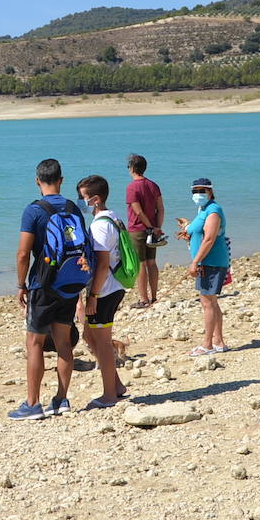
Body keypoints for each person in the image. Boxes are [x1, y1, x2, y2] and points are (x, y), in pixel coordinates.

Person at [12, 159, 82, 420]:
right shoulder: (72, 207)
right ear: (61, 180)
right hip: (68, 283)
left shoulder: (33, 211)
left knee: (35, 343)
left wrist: (21, 285)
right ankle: (62, 399)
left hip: (42, 285)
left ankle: (33, 404)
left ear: (37, 181)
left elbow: (23, 253)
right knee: (64, 343)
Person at [77, 175, 130, 408]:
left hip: (105, 290)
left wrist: (93, 296)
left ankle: (109, 395)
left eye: (83, 198)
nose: (80, 202)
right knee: (89, 336)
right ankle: (116, 385)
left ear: (95, 200)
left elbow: (101, 264)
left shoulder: (99, 226)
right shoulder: (114, 218)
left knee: (103, 343)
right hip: (113, 286)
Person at [176, 177, 229, 354]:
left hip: (210, 262)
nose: (198, 194)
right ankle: (219, 342)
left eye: (202, 191)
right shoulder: (203, 210)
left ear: (210, 192)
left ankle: (207, 345)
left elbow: (209, 239)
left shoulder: (213, 211)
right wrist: (188, 230)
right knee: (212, 302)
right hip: (206, 262)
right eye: (195, 191)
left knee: (207, 302)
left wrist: (195, 261)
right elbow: (200, 232)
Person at [124, 154, 164, 308]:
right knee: (152, 262)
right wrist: (157, 227)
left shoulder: (132, 187)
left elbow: (138, 212)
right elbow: (160, 208)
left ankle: (144, 299)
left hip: (138, 229)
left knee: (141, 264)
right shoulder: (153, 185)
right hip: (153, 229)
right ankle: (154, 296)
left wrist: (149, 227)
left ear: (132, 168)